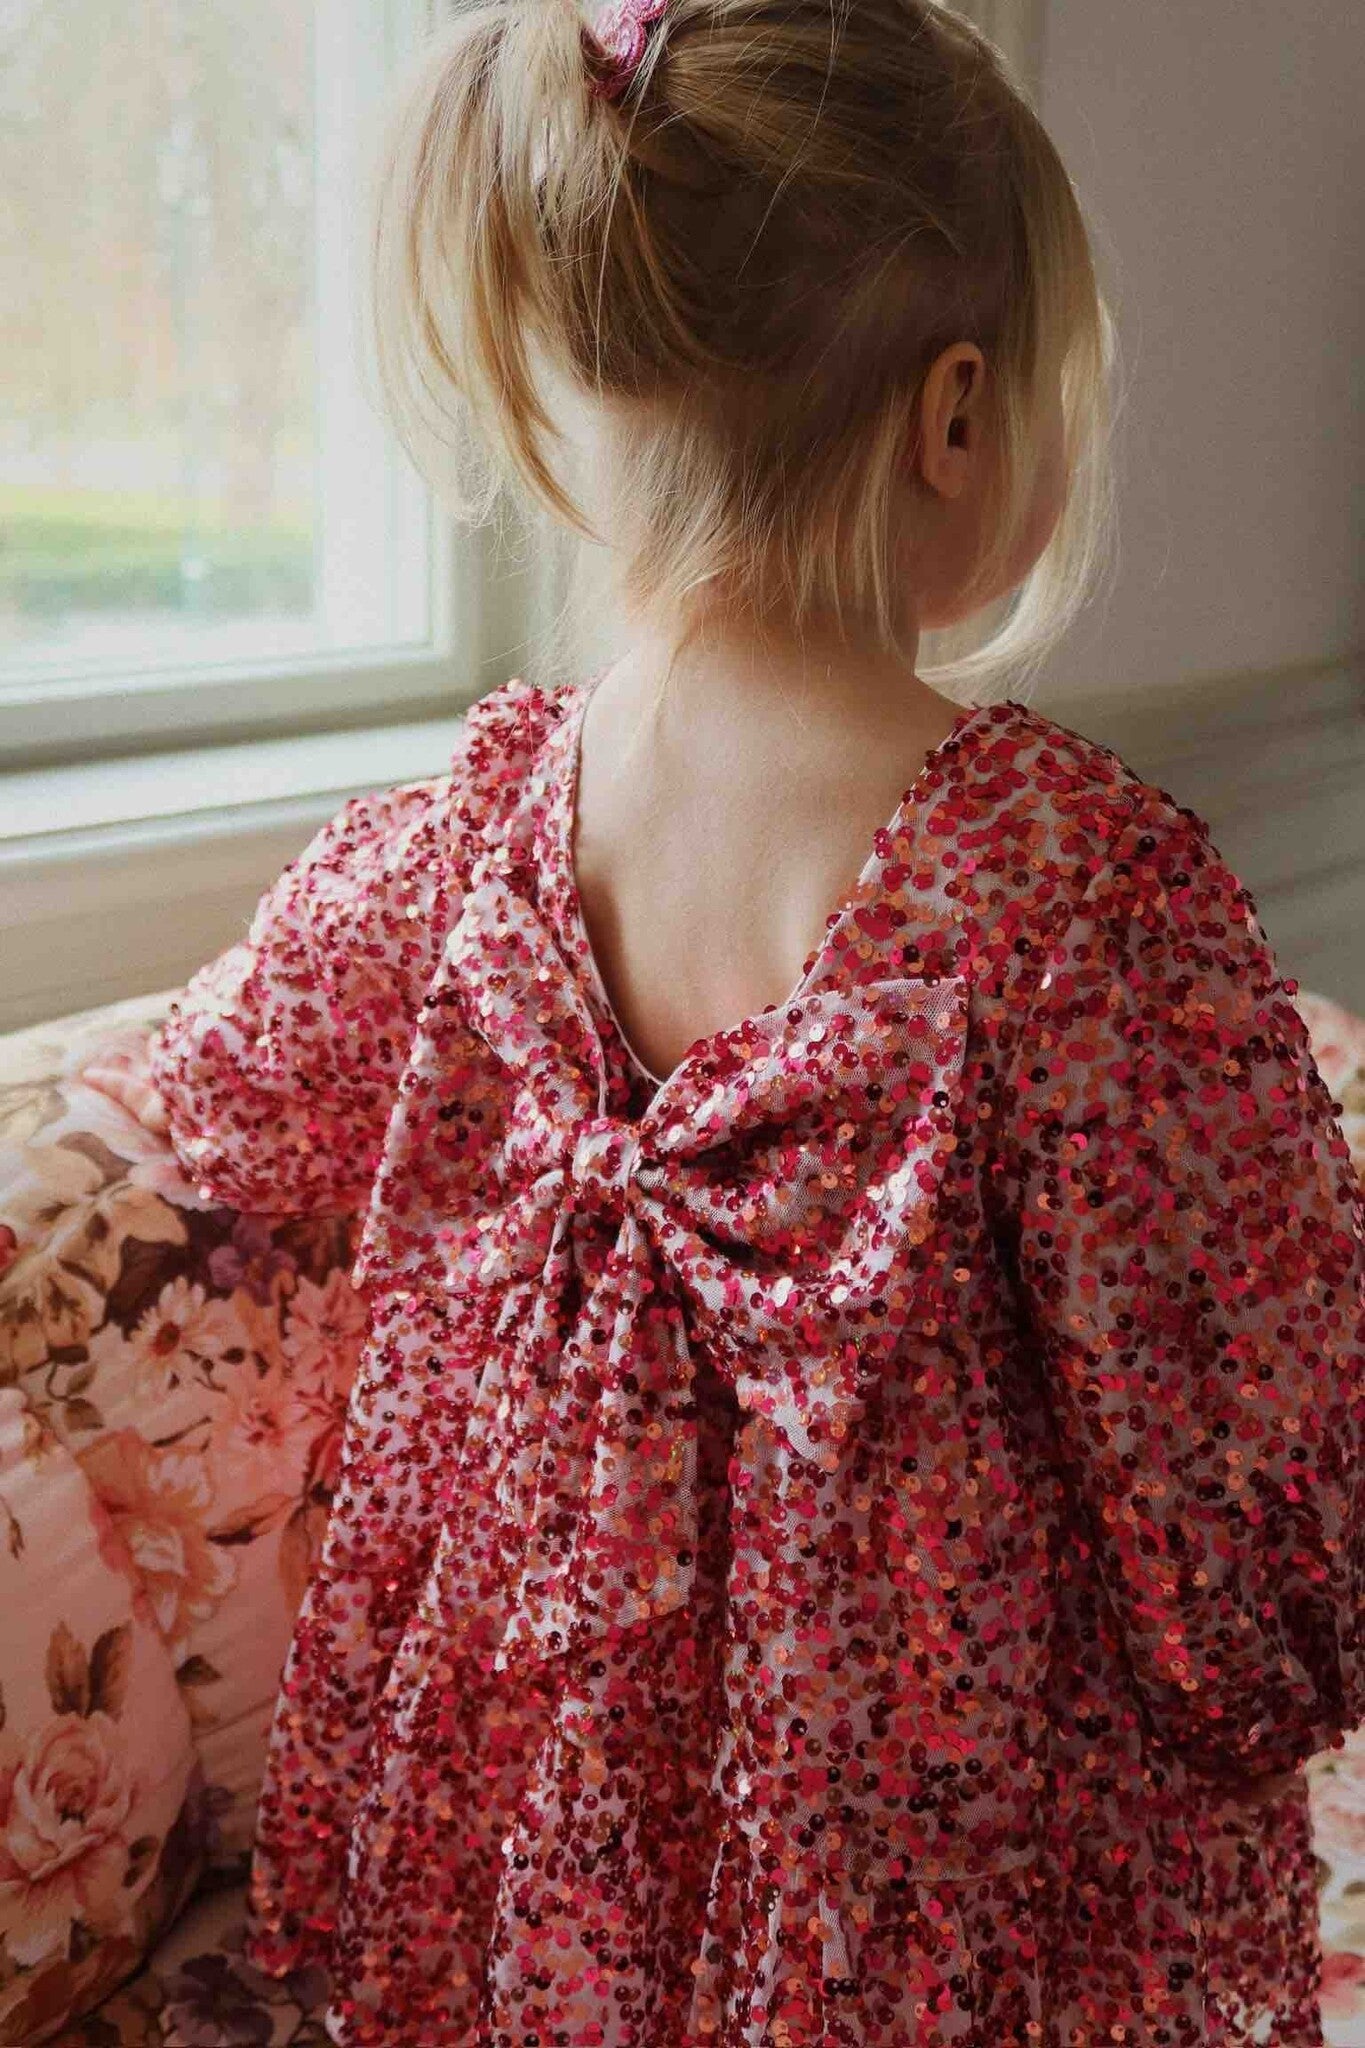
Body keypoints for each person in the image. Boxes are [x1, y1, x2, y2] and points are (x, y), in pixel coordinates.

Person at [146, 0, 1365, 2040]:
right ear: (954, 415)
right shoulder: (1070, 896)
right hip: (918, 1892)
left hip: (549, 1869)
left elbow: (231, 1090)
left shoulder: (473, 835)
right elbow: (1240, 1504)